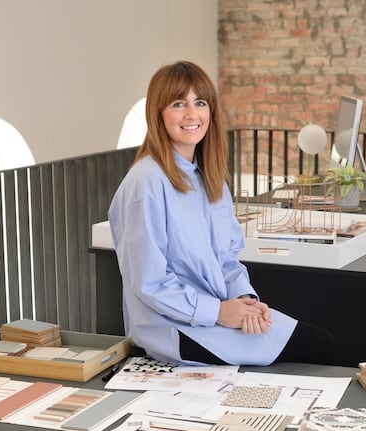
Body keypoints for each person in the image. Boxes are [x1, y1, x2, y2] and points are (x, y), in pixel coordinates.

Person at [109, 61, 335, 366]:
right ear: (158, 113)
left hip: (216, 314)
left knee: (320, 342)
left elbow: (228, 259)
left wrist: (244, 300)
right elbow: (149, 283)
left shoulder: (208, 177)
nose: (192, 114)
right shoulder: (146, 182)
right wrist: (219, 312)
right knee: (317, 346)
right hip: (174, 327)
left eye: (200, 103)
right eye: (179, 104)